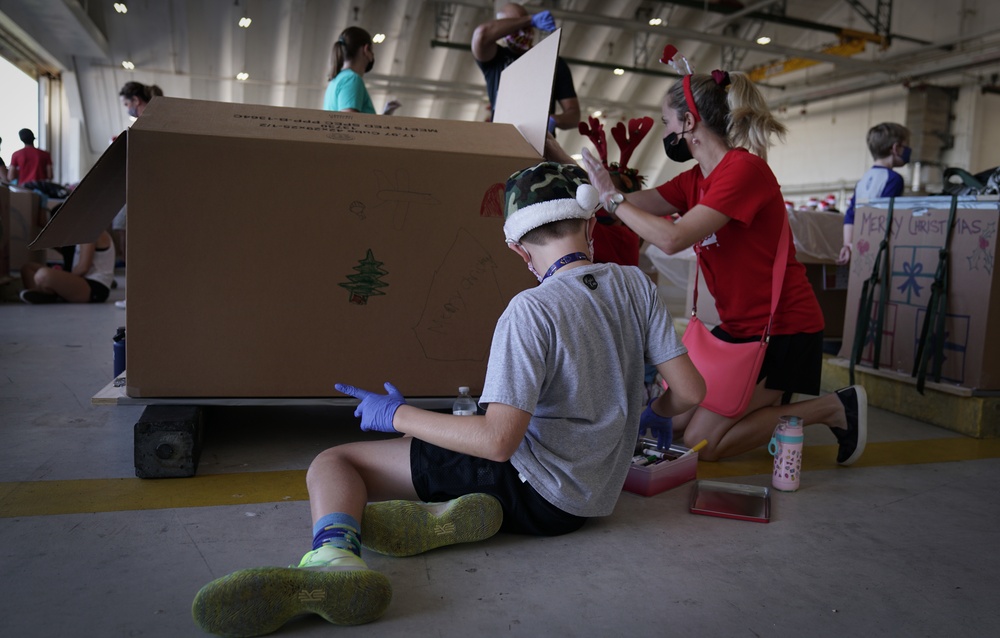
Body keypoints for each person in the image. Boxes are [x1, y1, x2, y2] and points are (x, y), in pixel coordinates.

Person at [190, 161, 705, 636]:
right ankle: (451, 517)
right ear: (589, 227)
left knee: (336, 461)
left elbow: (499, 441)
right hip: (592, 501)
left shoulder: (531, 311)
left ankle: (332, 564)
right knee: (448, 440)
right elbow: (690, 392)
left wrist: (399, 413)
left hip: (533, 487)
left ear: (519, 250)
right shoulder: (636, 285)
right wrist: (647, 416)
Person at [579, 69, 869, 466]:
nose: (666, 130)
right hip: (737, 329)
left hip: (782, 329)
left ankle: (834, 408)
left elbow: (670, 238)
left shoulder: (743, 171)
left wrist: (612, 199)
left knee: (704, 444)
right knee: (679, 422)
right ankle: (775, 409)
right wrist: (586, 182)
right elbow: (629, 205)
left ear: (689, 122)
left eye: (667, 122)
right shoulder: (694, 179)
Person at [472, 3, 580, 135]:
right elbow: (481, 35)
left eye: (527, 26)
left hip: (541, 143)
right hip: (501, 138)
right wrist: (529, 20)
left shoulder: (553, 62)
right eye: (516, 25)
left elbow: (574, 115)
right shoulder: (495, 59)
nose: (523, 31)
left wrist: (553, 120)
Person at [114, 81, 164, 308]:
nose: (127, 108)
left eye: (127, 103)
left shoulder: (148, 119)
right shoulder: (155, 117)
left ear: (136, 100)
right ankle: (140, 291)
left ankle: (134, 293)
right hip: (148, 184)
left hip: (143, 185)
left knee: (125, 230)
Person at [837, 122, 910, 264]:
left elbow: (851, 215)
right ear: (896, 148)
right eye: (906, 146)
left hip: (860, 243)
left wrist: (848, 245)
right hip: (879, 247)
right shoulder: (894, 179)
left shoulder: (863, 180)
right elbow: (883, 217)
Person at [19, 229, 115, 304]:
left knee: (43, 275)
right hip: (81, 280)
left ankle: (51, 293)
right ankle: (46, 294)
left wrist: (61, 277)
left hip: (94, 286)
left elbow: (83, 268)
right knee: (27, 268)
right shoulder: (80, 233)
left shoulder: (90, 231)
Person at [323, 26, 401, 115]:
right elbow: (349, 123)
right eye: (372, 50)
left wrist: (385, 115)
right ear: (366, 49)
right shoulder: (351, 79)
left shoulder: (337, 79)